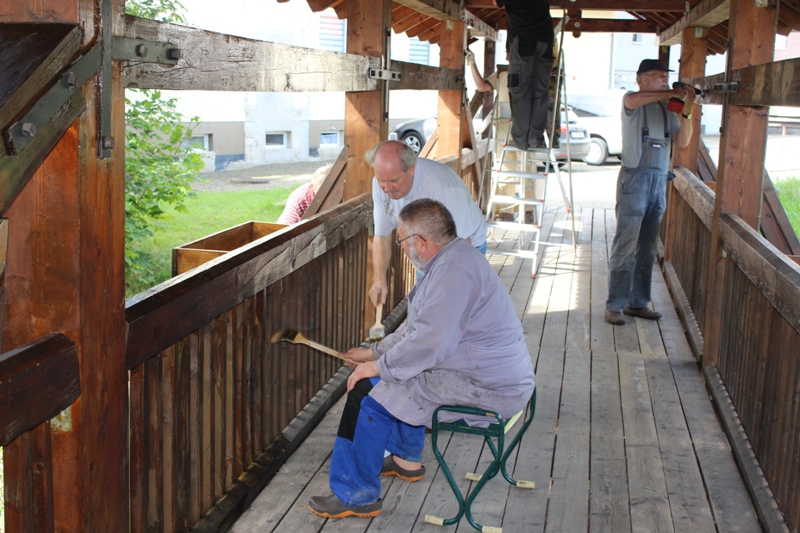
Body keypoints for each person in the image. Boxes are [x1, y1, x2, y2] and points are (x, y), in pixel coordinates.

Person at [308, 199, 535, 518]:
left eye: (401, 241)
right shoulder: (454, 257)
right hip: (490, 374)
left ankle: (356, 495)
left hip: (489, 389)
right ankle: (406, 460)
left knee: (368, 394)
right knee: (394, 377)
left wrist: (377, 366)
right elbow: (419, 329)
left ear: (423, 243)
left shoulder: (452, 273)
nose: (400, 247)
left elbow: (430, 343)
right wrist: (374, 352)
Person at [605, 59, 695, 325]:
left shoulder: (669, 109)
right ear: (641, 78)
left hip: (658, 182)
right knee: (626, 244)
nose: (665, 80)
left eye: (666, 76)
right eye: (658, 75)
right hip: (635, 181)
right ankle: (615, 305)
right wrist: (670, 93)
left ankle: (638, 303)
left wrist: (686, 111)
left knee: (648, 247)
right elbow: (634, 100)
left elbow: (683, 141)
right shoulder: (631, 101)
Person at [368, 140, 487, 308]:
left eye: (394, 181)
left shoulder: (442, 188)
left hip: (465, 247)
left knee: (454, 309)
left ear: (411, 170)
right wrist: (379, 278)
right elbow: (382, 234)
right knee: (423, 306)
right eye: (381, 181)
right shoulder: (381, 185)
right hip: (425, 250)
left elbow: (462, 248)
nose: (386, 189)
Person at [494, 0, 554, 150]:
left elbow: (496, 3)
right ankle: (535, 139)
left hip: (524, 41)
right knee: (540, 91)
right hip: (545, 39)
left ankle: (520, 140)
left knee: (520, 90)